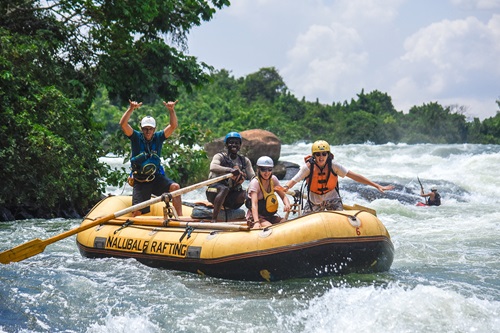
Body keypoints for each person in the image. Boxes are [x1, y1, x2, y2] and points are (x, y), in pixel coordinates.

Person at [282, 140, 394, 213]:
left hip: (332, 199)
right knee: (305, 223)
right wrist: (286, 187)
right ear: (313, 155)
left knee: (341, 220)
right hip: (314, 200)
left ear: (328, 155)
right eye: (318, 154)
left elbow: (355, 176)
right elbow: (293, 180)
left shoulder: (334, 165)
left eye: (324, 154)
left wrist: (376, 185)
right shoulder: (307, 167)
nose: (321, 157)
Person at [119, 99, 182, 217]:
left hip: (156, 177)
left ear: (154, 129)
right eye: (145, 129)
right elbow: (123, 124)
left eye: (150, 129)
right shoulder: (136, 137)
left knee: (175, 187)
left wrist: (171, 110)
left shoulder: (158, 137)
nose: (148, 131)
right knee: (137, 212)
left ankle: (181, 218)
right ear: (141, 129)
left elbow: (173, 126)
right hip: (141, 180)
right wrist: (131, 109)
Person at [206, 132, 255, 222]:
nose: (234, 145)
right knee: (224, 189)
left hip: (231, 196)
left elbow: (252, 176)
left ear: (240, 146)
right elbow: (213, 167)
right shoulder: (219, 156)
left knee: (248, 194)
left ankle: (254, 218)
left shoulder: (244, 161)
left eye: (237, 143)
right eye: (231, 142)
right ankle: (214, 219)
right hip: (214, 192)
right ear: (226, 144)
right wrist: (230, 170)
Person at [245, 156, 291, 229]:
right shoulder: (255, 183)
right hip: (256, 217)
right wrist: (256, 222)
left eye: (269, 169)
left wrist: (287, 204)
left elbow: (283, 196)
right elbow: (254, 204)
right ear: (258, 170)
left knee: (285, 223)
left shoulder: (273, 180)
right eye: (263, 169)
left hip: (269, 216)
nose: (267, 173)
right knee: (270, 227)